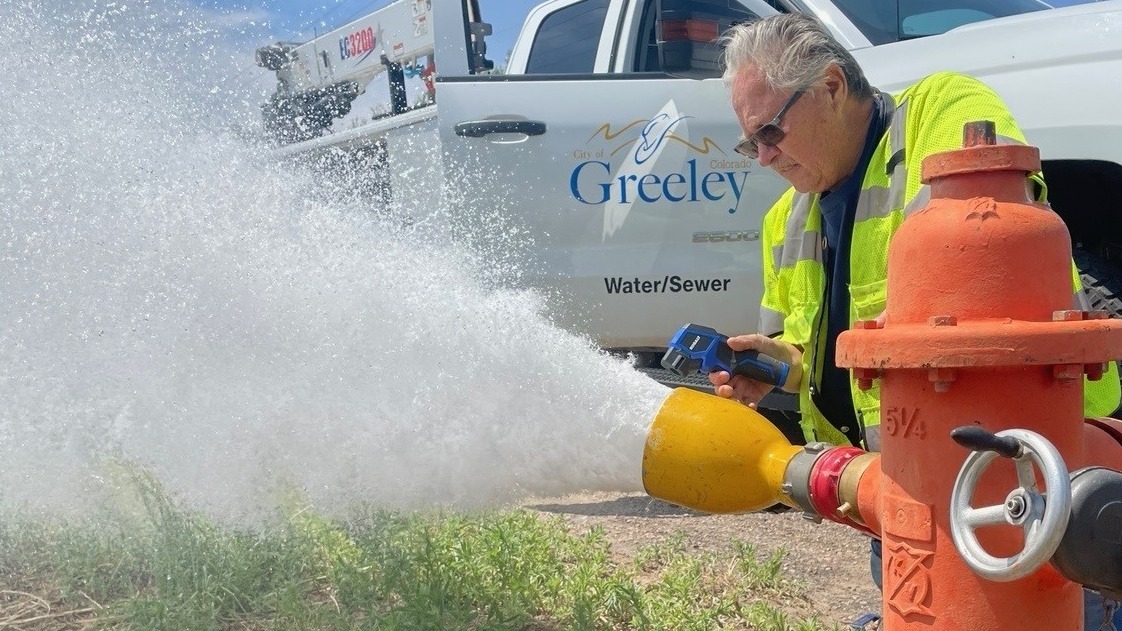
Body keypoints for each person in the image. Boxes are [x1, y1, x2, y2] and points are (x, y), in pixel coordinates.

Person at [708, 13, 1122, 631]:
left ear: (829, 86)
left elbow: (980, 252)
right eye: (750, 143)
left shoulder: (939, 112)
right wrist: (770, 366)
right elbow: (816, 358)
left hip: (1026, 471)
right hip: (906, 492)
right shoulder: (784, 222)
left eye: (771, 130)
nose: (764, 156)